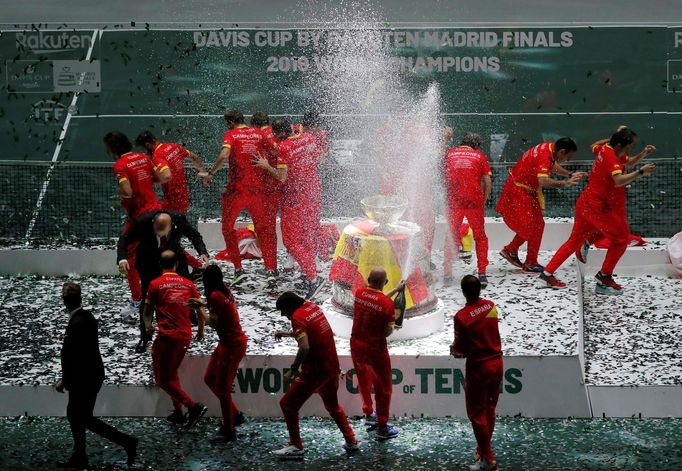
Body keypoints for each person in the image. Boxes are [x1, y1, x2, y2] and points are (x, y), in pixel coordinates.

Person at [540, 128, 656, 293]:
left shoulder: (605, 149)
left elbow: (625, 161)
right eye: (630, 145)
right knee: (621, 240)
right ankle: (604, 278)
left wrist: (643, 153)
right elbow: (618, 181)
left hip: (586, 203)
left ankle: (547, 272)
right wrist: (641, 172)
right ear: (619, 144)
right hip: (598, 208)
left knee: (574, 240)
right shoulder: (611, 157)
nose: (631, 148)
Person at [55, 282, 138, 469]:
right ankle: (80, 455)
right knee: (78, 415)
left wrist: (65, 380)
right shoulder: (86, 317)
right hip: (89, 376)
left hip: (84, 379)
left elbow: (74, 356)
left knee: (81, 417)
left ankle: (126, 442)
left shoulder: (77, 323)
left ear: (64, 301)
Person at [272, 292, 358, 459]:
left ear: (290, 307)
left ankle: (296, 445)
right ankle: (351, 440)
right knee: (333, 406)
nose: (284, 315)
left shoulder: (297, 317)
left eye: (283, 311)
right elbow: (312, 332)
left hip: (314, 371)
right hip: (331, 367)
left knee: (288, 404)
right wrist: (288, 334)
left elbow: (304, 347)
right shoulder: (313, 307)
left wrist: (292, 369)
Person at [205, 110, 278, 287]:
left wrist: (210, 172)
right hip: (257, 191)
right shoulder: (259, 134)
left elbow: (223, 156)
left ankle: (238, 269)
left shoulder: (231, 134)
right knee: (264, 230)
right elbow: (276, 151)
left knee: (227, 228)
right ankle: (270, 271)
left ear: (230, 122)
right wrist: (267, 167)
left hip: (236, 191)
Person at [117, 210, 209, 352]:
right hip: (149, 260)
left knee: (187, 286)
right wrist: (122, 258)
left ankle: (190, 314)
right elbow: (125, 238)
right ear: (153, 224)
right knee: (147, 296)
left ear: (171, 226)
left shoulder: (179, 220)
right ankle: (145, 336)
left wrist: (202, 252)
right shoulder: (142, 222)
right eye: (157, 233)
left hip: (174, 258)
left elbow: (194, 235)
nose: (160, 236)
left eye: (163, 233)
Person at [253, 117, 325, 298]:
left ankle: (313, 279)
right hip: (314, 193)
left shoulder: (284, 148)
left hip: (296, 198)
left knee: (291, 241)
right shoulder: (308, 137)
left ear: (279, 133)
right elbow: (319, 158)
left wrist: (266, 165)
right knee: (307, 234)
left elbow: (282, 177)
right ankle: (309, 275)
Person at [496, 138, 586, 272]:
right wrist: (565, 183)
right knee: (530, 226)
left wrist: (570, 174)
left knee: (538, 225)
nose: (568, 160)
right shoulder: (545, 155)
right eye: (568, 157)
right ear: (561, 151)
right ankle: (512, 251)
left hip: (528, 190)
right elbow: (543, 180)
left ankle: (527, 259)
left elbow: (552, 165)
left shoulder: (549, 147)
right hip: (519, 191)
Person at [105, 131, 168, 318]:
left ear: (112, 150)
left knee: (128, 259)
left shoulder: (120, 166)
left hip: (139, 217)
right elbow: (157, 178)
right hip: (156, 210)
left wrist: (123, 192)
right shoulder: (143, 157)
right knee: (163, 252)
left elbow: (127, 191)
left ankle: (137, 299)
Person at [143, 251, 208, 428]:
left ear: (159, 264)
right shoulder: (188, 284)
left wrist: (148, 325)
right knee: (171, 375)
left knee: (162, 379)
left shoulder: (155, 284)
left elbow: (147, 310)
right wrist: (201, 331)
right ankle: (179, 412)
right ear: (177, 264)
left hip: (166, 337)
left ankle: (192, 406)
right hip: (184, 336)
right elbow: (200, 310)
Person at [135, 130, 211, 277]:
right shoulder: (174, 147)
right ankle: (194, 265)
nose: (144, 152)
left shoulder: (158, 156)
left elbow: (166, 175)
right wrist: (204, 173)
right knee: (170, 239)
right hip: (182, 199)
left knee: (167, 241)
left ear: (148, 145)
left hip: (172, 202)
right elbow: (194, 157)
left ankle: (195, 266)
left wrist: (147, 181)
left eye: (144, 149)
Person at [187, 264, 248, 441]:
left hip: (232, 345)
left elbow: (213, 323)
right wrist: (202, 303)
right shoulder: (224, 290)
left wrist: (199, 308)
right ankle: (235, 415)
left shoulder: (214, 296)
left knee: (223, 390)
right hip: (228, 342)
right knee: (209, 378)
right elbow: (221, 309)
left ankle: (229, 431)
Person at [451, 275, 503, 471]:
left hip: (479, 368)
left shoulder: (461, 317)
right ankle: (482, 451)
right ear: (480, 289)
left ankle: (488, 459)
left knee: (476, 413)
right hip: (497, 363)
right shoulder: (491, 306)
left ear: (463, 292)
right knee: (490, 409)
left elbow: (460, 350)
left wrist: (454, 350)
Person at [350, 268, 404, 439]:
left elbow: (377, 300)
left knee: (364, 381)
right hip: (375, 350)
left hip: (357, 346)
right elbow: (388, 331)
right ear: (385, 283)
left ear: (368, 279)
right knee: (383, 389)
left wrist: (396, 290)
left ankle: (368, 414)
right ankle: (382, 427)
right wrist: (394, 325)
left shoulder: (359, 293)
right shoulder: (387, 305)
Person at [443, 132, 492, 287]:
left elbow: (443, 175)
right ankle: (482, 273)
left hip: (454, 200)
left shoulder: (449, 154)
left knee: (451, 235)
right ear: (476, 145)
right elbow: (487, 180)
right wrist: (484, 200)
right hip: (474, 201)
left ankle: (447, 274)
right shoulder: (479, 155)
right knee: (480, 236)